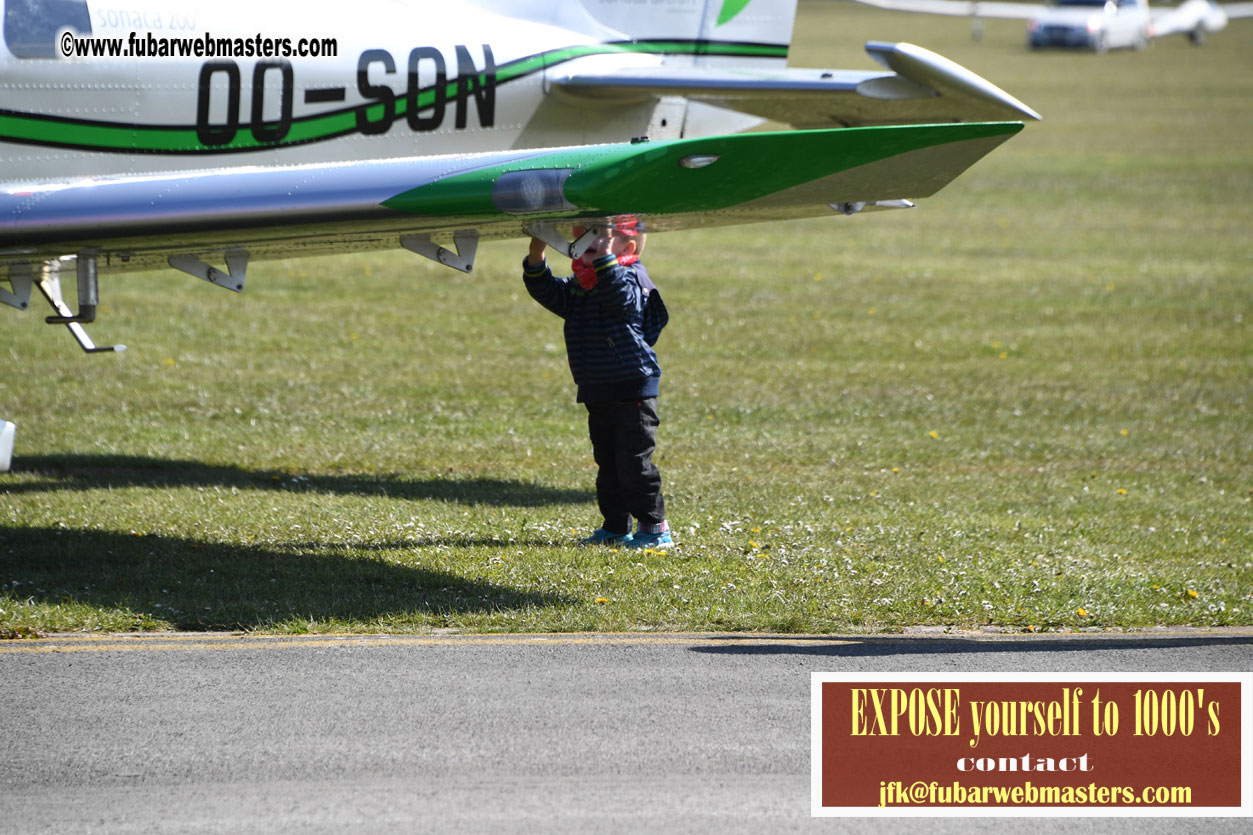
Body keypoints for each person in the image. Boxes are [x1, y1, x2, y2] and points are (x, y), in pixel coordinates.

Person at [522, 219, 672, 549]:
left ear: (627, 248)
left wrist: (605, 258)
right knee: (609, 465)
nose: (590, 238)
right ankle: (616, 527)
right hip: (598, 388)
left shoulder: (631, 277)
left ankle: (654, 529)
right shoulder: (582, 285)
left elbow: (621, 300)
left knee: (634, 464)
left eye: (602, 235)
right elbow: (546, 291)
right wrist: (536, 254)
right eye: (585, 234)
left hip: (633, 387)